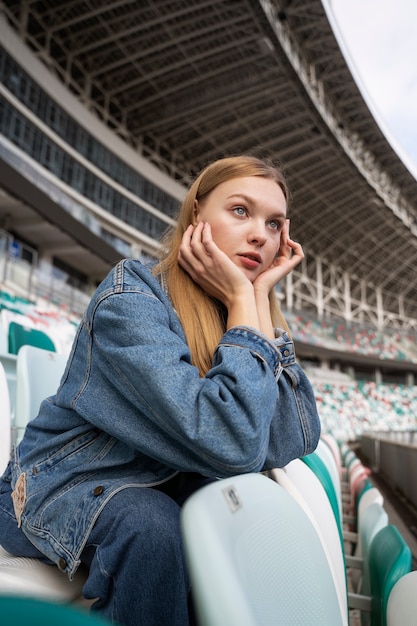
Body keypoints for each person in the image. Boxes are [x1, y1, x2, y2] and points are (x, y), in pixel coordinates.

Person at [0, 155, 320, 625]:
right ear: (196, 216)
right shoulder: (130, 298)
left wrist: (256, 304)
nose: (260, 235)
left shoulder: (239, 313)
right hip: (55, 488)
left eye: (274, 224)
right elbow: (231, 443)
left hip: (154, 491)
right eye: (240, 211)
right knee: (154, 527)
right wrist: (243, 307)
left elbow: (294, 436)